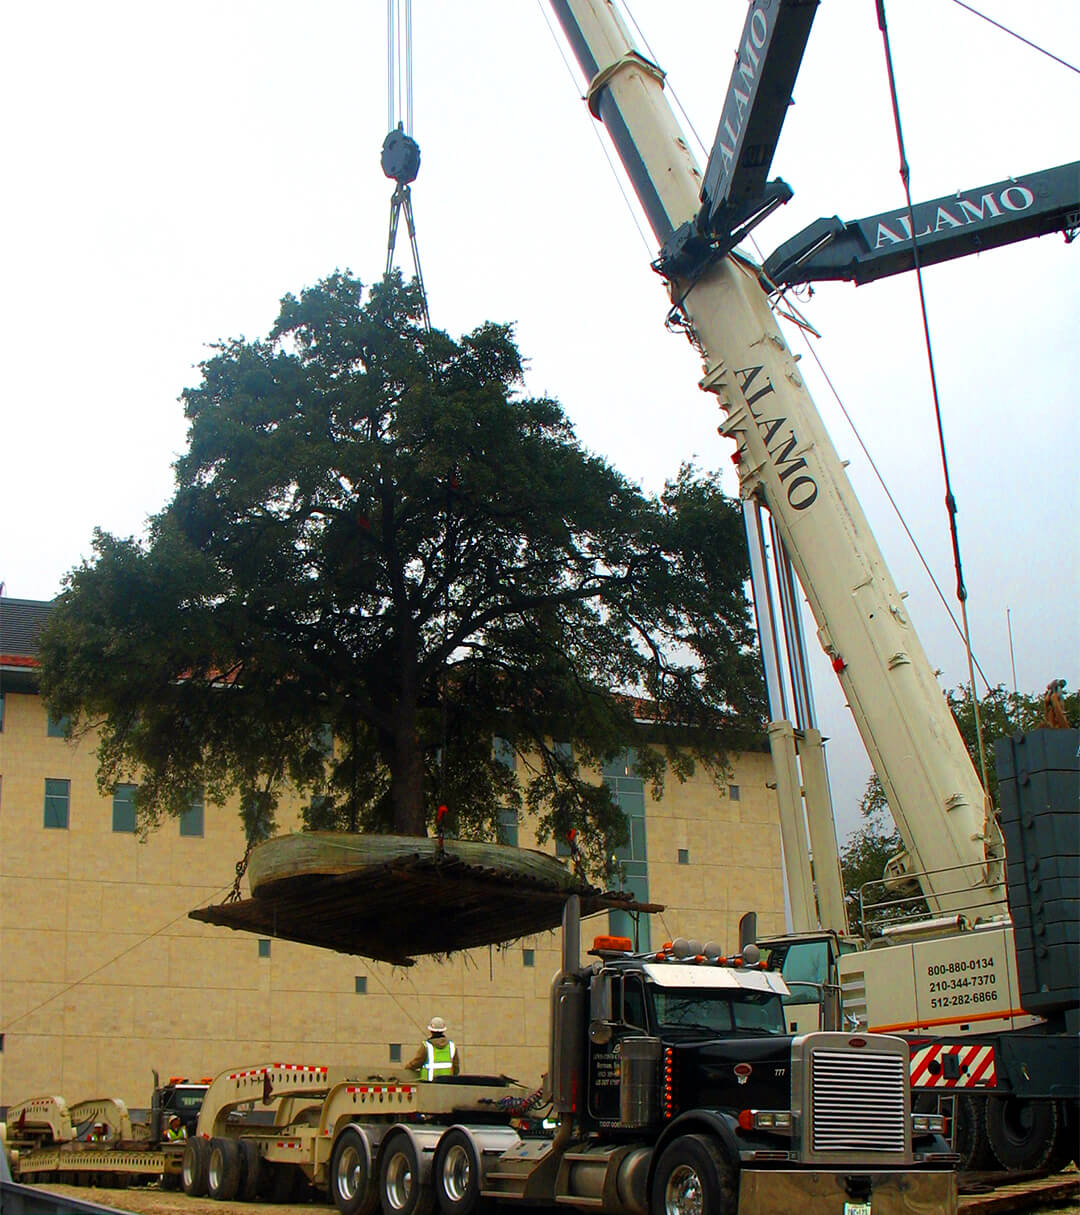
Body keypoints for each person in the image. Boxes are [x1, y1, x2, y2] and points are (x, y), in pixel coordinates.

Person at [406, 1016, 461, 1081]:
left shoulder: (426, 1046)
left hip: (429, 1084)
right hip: (447, 1084)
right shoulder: (451, 1046)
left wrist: (407, 1067)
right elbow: (456, 1066)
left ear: (431, 1030)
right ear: (443, 1030)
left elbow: (417, 1062)